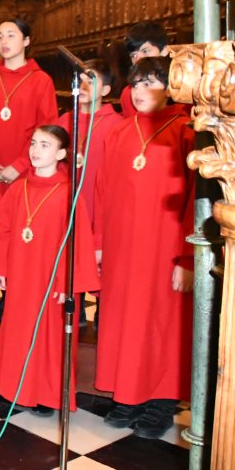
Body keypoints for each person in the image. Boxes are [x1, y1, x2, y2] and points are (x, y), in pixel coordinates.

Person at [94, 56, 194, 438]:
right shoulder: (120, 131)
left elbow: (196, 199)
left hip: (164, 249)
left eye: (150, 83)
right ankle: (128, 394)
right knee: (124, 318)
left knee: (161, 323)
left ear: (170, 88)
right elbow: (102, 190)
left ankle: (161, 401)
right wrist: (99, 244)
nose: (139, 91)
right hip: (122, 247)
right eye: (136, 83)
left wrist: (187, 258)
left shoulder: (185, 131)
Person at [0, 126, 99, 414]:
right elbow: (1, 227)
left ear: (61, 154)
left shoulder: (68, 193)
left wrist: (65, 282)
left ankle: (46, 394)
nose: (35, 150)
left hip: (51, 278)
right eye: (33, 143)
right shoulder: (19, 187)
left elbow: (77, 240)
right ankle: (15, 387)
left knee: (49, 335)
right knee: (18, 329)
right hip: (22, 271)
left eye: (45, 145)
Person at [0, 18, 58, 187]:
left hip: (25, 169)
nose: (4, 41)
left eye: (10, 36)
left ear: (26, 41)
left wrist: (19, 166)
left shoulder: (41, 80)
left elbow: (47, 129)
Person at [54, 58, 123, 221]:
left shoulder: (118, 125)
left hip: (99, 203)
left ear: (105, 90)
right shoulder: (64, 120)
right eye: (80, 81)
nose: (83, 87)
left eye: (90, 82)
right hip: (66, 202)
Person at [119, 22, 171, 117]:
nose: (139, 60)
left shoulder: (184, 88)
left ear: (164, 51)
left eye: (145, 51)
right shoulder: (129, 94)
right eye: (134, 55)